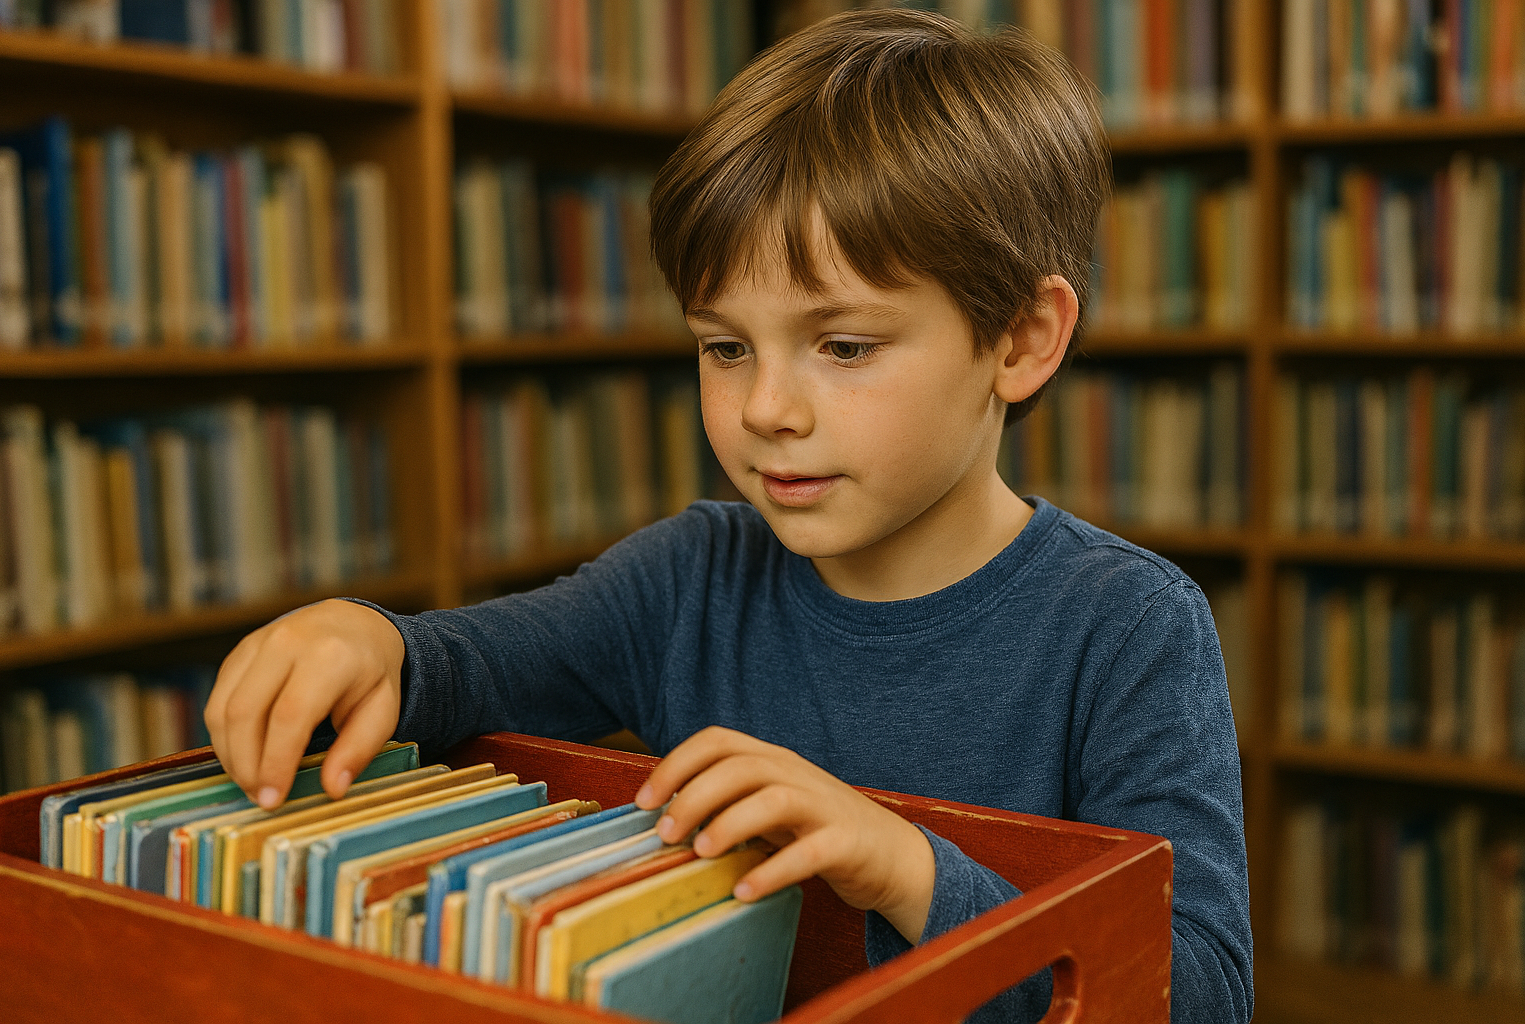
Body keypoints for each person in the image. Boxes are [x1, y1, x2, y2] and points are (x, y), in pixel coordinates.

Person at [203, 9, 1252, 1022]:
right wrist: (371, 639)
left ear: (1021, 339)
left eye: (843, 346)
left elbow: (1201, 992)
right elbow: (462, 666)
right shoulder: (687, 576)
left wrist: (902, 866)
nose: (764, 409)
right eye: (724, 346)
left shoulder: (1129, 627)